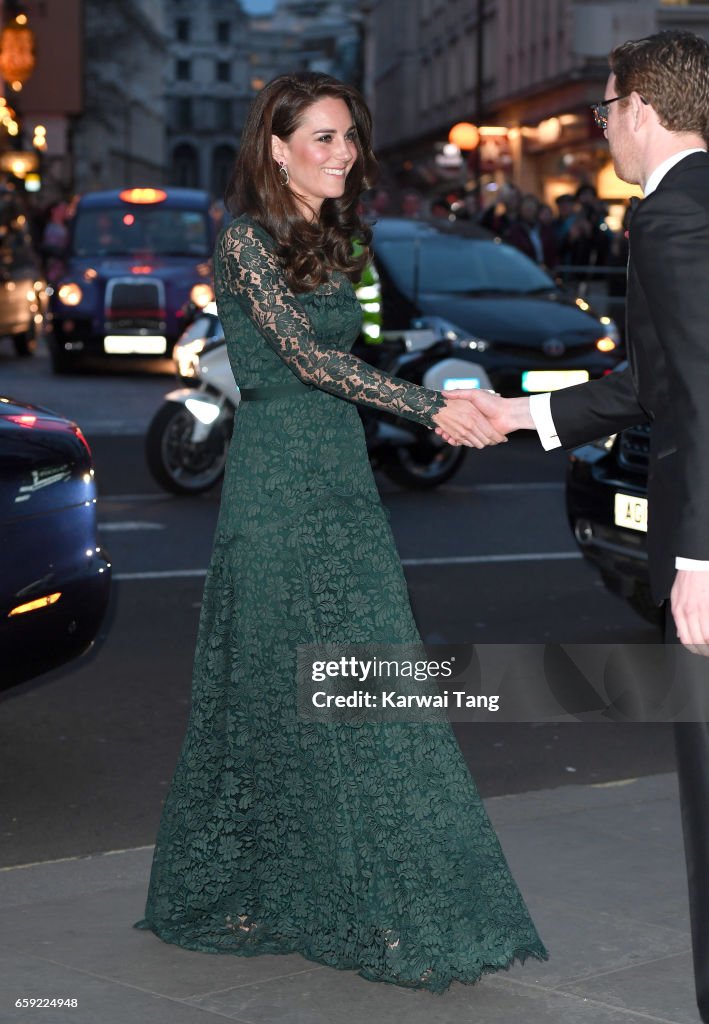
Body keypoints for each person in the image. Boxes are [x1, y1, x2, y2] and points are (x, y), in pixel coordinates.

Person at [134, 71, 548, 993]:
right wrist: (431, 407)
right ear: (275, 147)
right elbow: (303, 358)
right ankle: (291, 890)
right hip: (278, 488)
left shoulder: (333, 239)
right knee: (280, 686)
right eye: (321, 138)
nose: (344, 154)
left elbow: (348, 354)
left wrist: (443, 396)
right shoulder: (244, 241)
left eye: (349, 137)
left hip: (341, 480)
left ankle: (355, 892)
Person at [441, 30, 709, 1021]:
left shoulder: (673, 216)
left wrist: (697, 557)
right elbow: (650, 381)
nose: (600, 127)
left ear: (640, 107)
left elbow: (703, 388)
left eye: (604, 108)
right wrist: (521, 416)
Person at [504, 193, 558, 268]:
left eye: (531, 206)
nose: (529, 209)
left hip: (544, 271)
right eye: (526, 207)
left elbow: (552, 251)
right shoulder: (514, 230)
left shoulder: (545, 229)